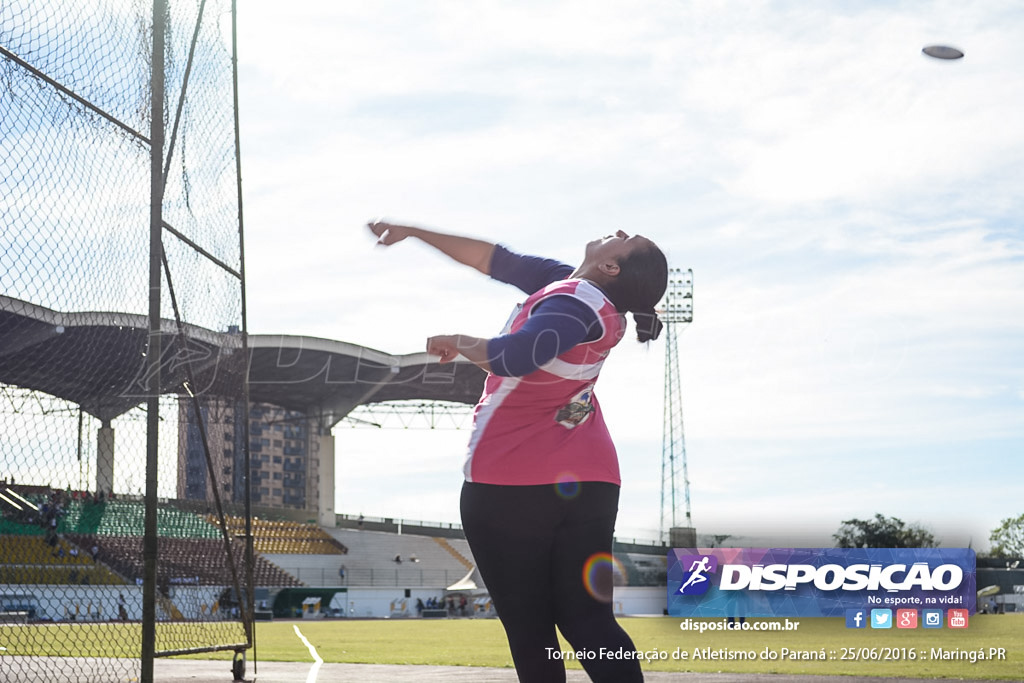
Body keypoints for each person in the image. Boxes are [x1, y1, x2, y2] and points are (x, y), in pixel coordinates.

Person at [368, 220, 667, 683]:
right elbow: (495, 259)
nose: (620, 230)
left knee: (532, 633)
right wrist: (414, 232)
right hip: (590, 478)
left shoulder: (573, 301)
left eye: (627, 240)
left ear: (610, 266)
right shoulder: (582, 295)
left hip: (512, 480)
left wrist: (460, 341)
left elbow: (518, 356)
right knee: (589, 621)